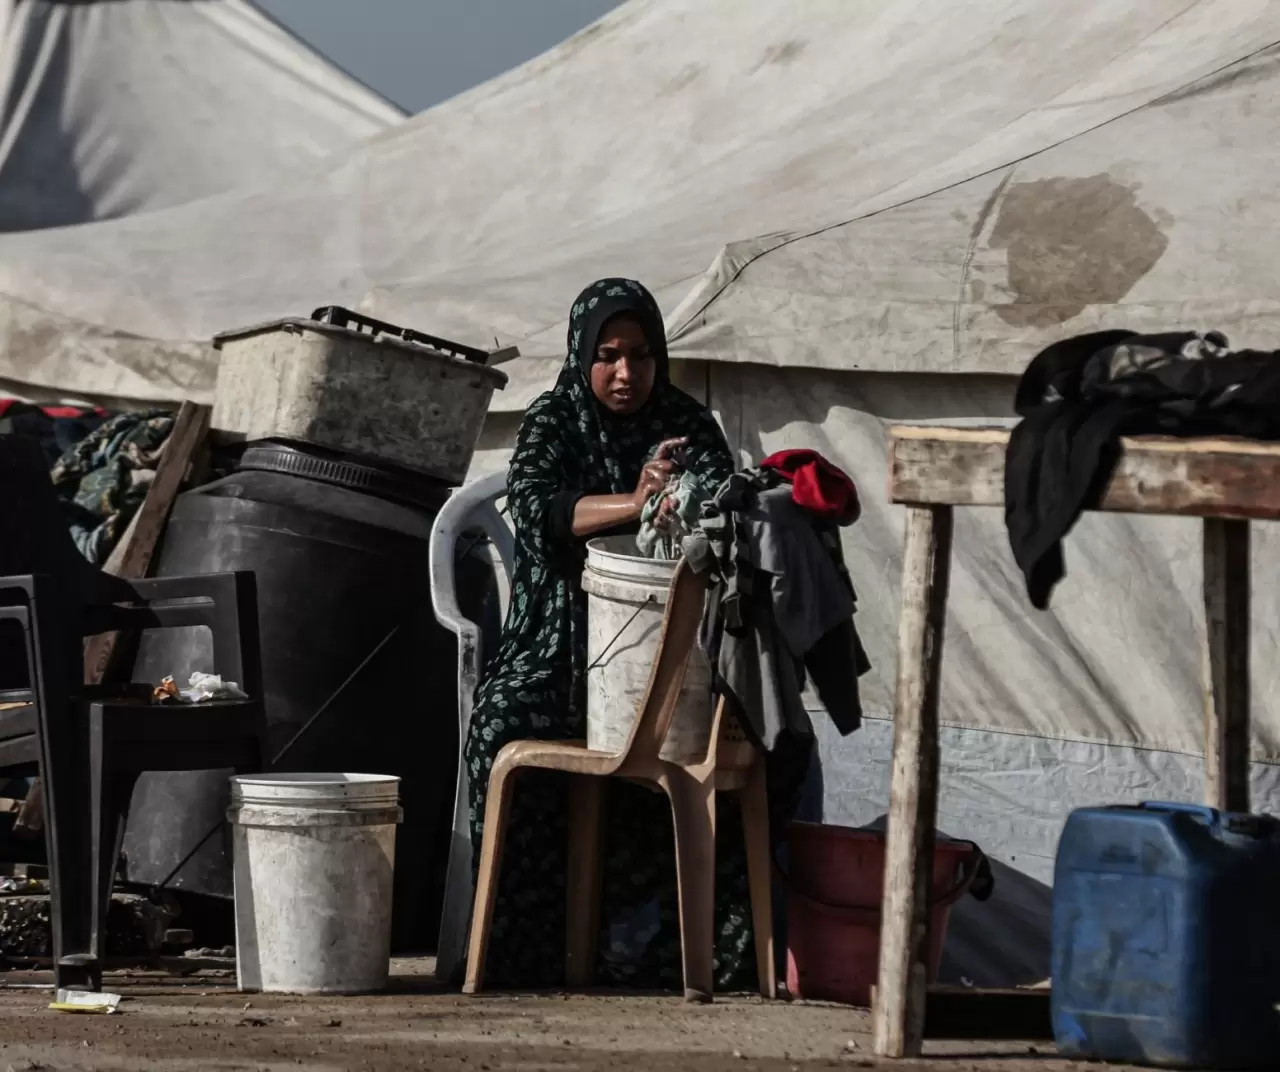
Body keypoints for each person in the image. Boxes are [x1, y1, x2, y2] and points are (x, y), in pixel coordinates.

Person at [464, 278, 755, 990]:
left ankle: (674, 957)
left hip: (664, 660)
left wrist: (678, 500)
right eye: (609, 355)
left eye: (642, 355)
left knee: (743, 744)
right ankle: (517, 953)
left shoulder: (686, 424)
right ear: (581, 354)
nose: (626, 374)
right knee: (499, 727)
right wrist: (635, 500)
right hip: (554, 654)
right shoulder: (554, 420)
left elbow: (720, 521)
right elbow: (535, 514)